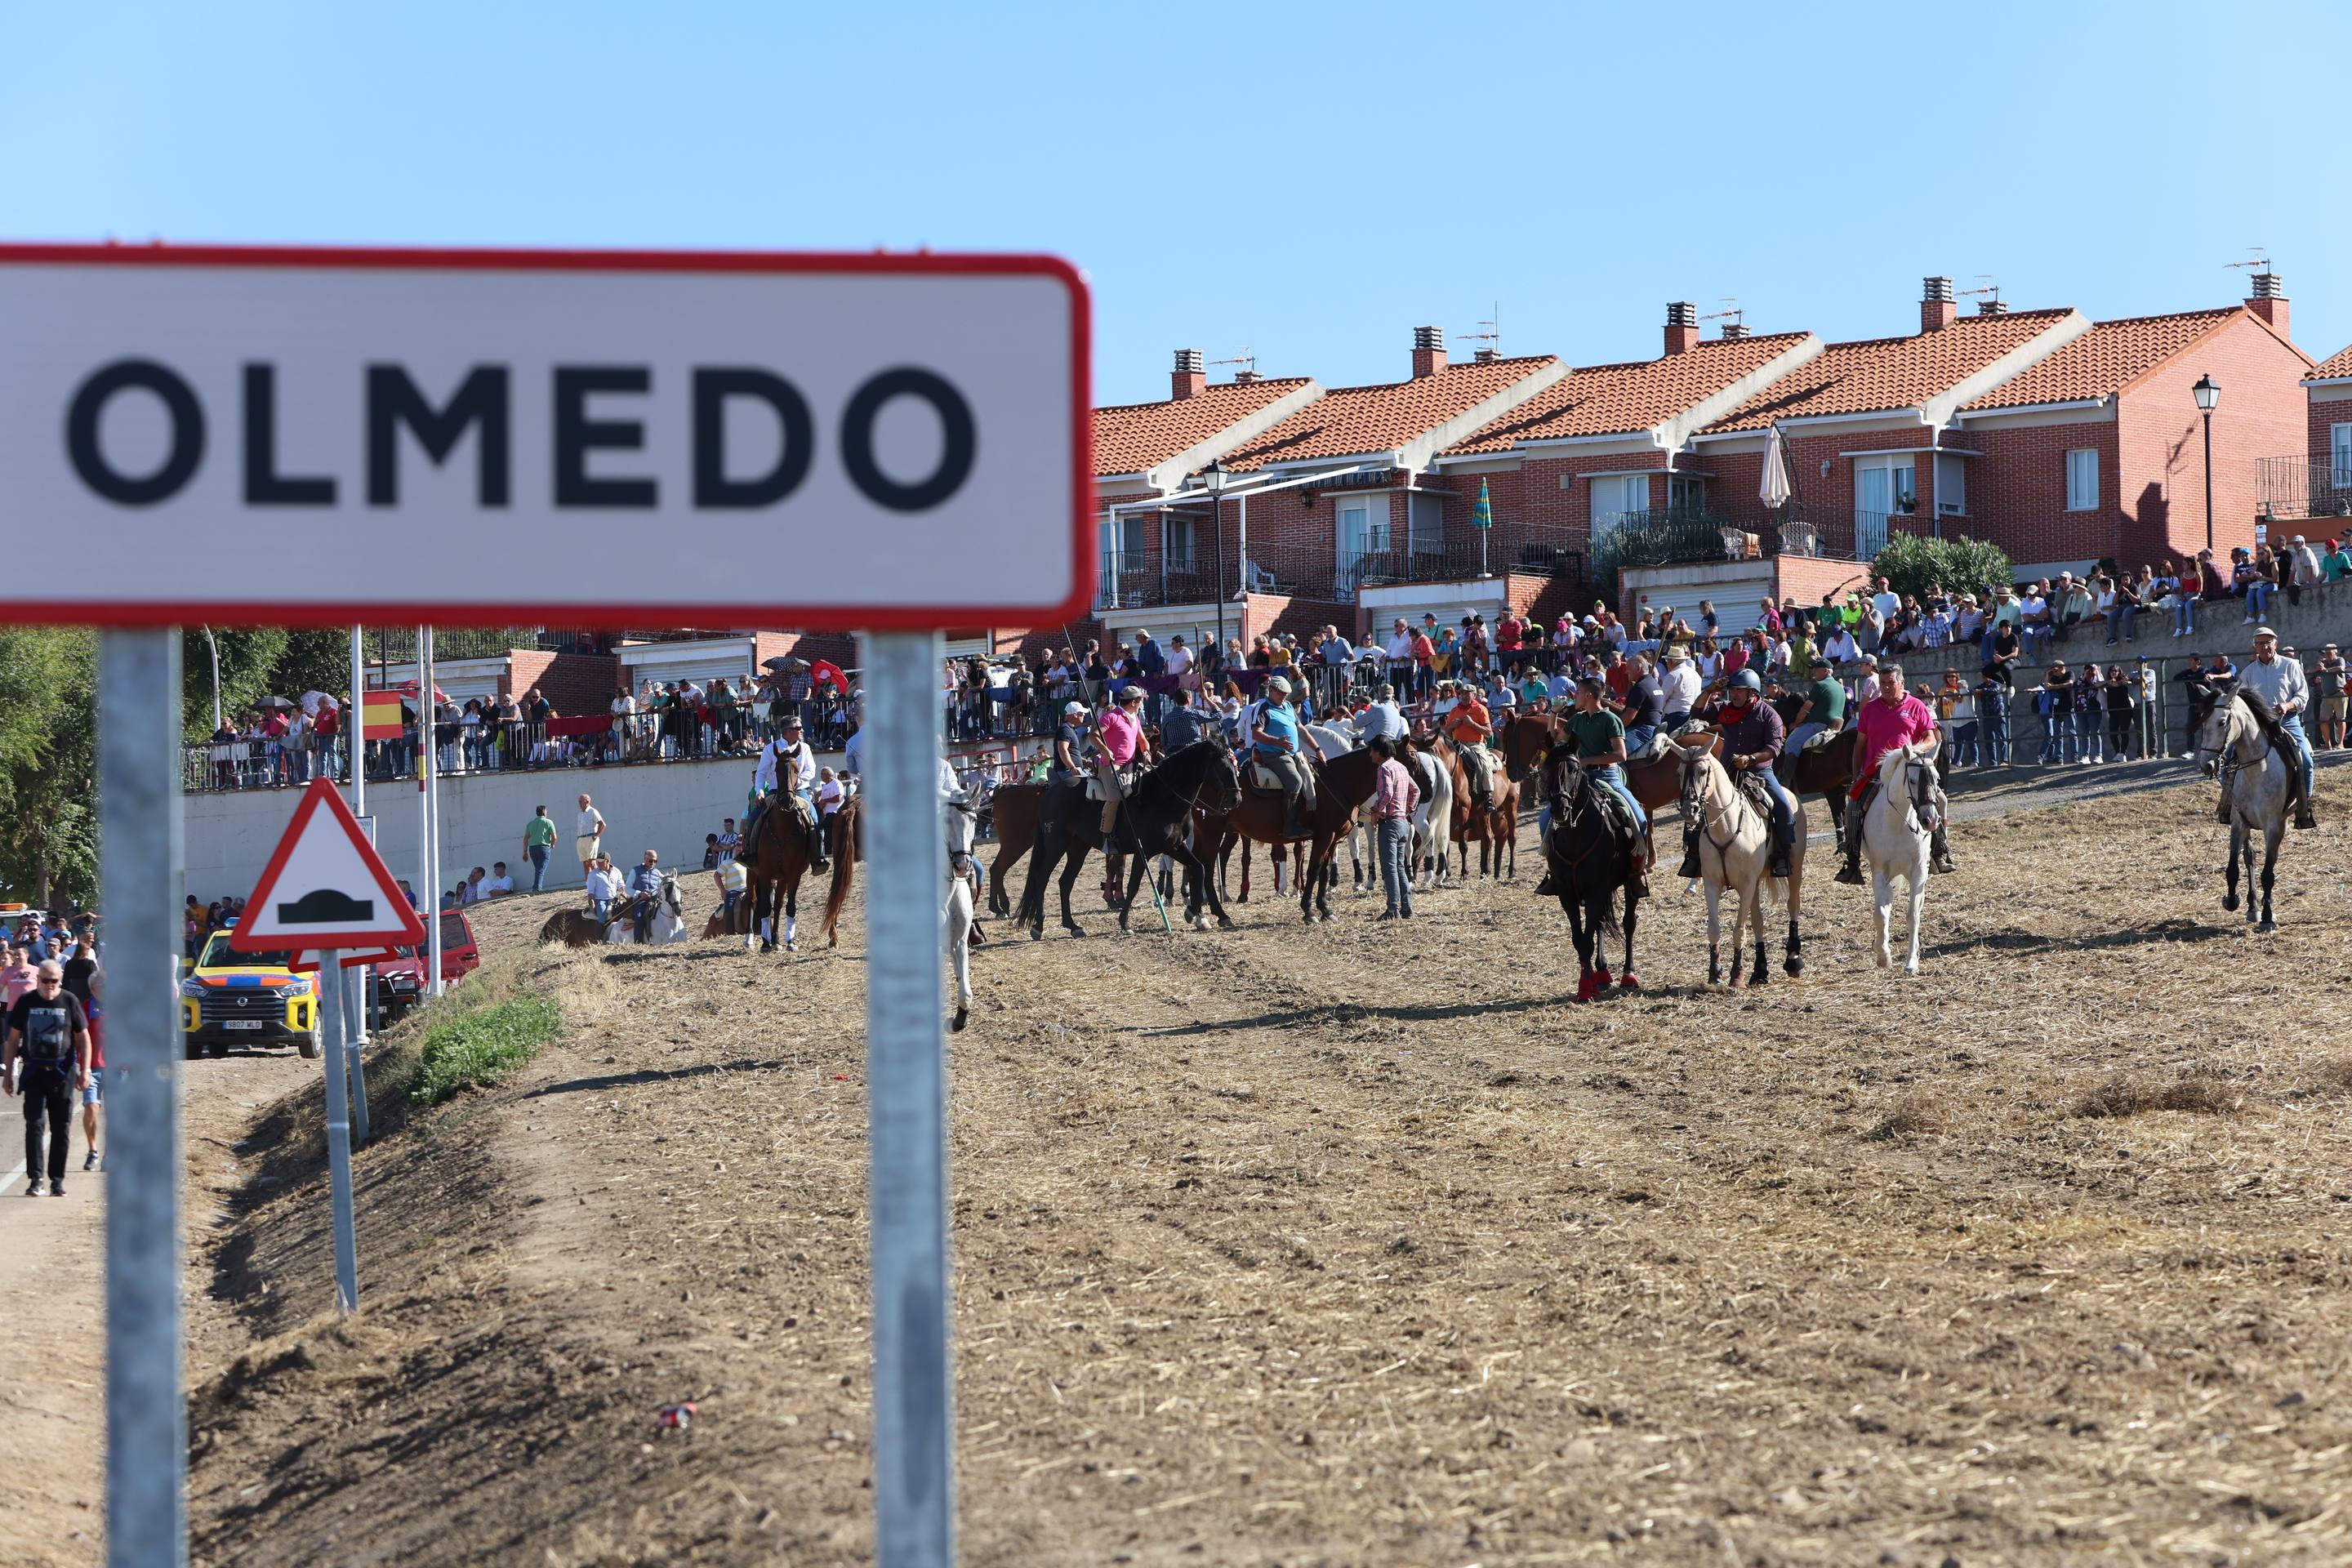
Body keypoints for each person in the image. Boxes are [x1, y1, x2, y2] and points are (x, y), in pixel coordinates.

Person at [1838, 662, 1953, 884]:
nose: (1886, 688)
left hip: (1908, 767)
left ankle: (1939, 853)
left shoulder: (1917, 706)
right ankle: (1852, 862)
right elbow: (1860, 745)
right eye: (1882, 683)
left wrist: (1915, 751)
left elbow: (1931, 738)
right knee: (1853, 805)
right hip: (1875, 771)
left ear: (1902, 683)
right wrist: (1856, 776)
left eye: (1891, 683)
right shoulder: (1870, 708)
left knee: (1938, 799)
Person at [1685, 669, 1794, 880]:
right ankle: (1694, 856)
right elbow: (1697, 712)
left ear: (1752, 692)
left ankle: (1782, 855)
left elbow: (1774, 748)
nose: (1734, 694)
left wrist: (1751, 759)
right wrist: (1709, 690)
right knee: (1697, 802)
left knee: (1783, 807)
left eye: (1739, 691)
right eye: (1733, 690)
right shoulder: (1725, 709)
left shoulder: (1769, 715)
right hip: (1726, 771)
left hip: (1760, 772)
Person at [4, 960, 91, 1197]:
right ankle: (36, 1178)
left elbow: (83, 1037)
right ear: (38, 979)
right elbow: (13, 1039)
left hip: (63, 1073)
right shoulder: (26, 1002)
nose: (50, 985)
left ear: (60, 980)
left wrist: (85, 1070)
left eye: (54, 981)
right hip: (34, 1072)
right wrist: (9, 1074)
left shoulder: (69, 1000)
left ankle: (57, 1180)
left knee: (61, 1127)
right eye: (45, 980)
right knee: (34, 1125)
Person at [1565, 678, 1650, 896]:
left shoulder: (1611, 720)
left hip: (1608, 776)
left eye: (1577, 692)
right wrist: (1554, 713)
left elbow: (1620, 754)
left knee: (1639, 820)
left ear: (1589, 696)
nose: (1574, 696)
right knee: (1547, 818)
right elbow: (1555, 738)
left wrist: (1587, 760)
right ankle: (1559, 874)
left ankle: (1635, 874)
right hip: (1581, 779)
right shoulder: (1577, 720)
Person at [2232, 626, 2319, 830]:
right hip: (2259, 726)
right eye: (2260, 643)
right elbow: (2240, 702)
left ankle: (2303, 806)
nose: (2265, 646)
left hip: (2287, 721)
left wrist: (2287, 705)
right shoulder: (2248, 673)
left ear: (2276, 644)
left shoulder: (2291, 665)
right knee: (2228, 758)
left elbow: (2303, 695)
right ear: (2255, 647)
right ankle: (2229, 805)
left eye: (2268, 642)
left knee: (2305, 758)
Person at [749, 715, 827, 871]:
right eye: (798, 728)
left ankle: (817, 856)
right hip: (775, 791)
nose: (801, 730)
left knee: (814, 817)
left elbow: (810, 771)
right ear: (788, 731)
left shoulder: (804, 748)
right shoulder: (770, 748)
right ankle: (750, 854)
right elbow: (762, 773)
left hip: (799, 791)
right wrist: (759, 792)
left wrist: (793, 783)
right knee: (754, 817)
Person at [1367, 735, 1421, 920]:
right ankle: (1407, 908)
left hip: (1389, 823)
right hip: (1403, 823)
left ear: (1379, 752)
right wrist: (1407, 809)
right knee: (1399, 867)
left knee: (1390, 868)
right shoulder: (1401, 767)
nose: (1370, 755)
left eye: (1372, 751)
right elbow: (1416, 791)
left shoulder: (1383, 769)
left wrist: (1376, 809)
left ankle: (1393, 909)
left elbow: (1387, 793)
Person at [1250, 675, 1315, 828]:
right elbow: (1256, 734)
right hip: (1273, 755)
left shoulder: (1288, 707)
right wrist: (1277, 742)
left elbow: (1302, 730)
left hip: (1293, 754)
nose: (1284, 696)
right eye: (1281, 693)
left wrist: (1317, 749)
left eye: (1286, 694)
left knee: (1312, 778)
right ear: (1271, 691)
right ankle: (1290, 825)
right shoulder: (1264, 708)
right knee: (1295, 782)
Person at [1094, 684, 1147, 844]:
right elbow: (1093, 735)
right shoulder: (1111, 717)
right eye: (1140, 701)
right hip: (1111, 765)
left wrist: (1146, 751)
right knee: (1116, 796)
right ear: (1133, 702)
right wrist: (1104, 749)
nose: (1141, 704)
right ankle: (1106, 833)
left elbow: (1142, 740)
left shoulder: (1135, 718)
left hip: (1130, 764)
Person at [1444, 678, 1498, 806]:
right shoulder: (1454, 711)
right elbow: (1446, 732)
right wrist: (1452, 726)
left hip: (1475, 745)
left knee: (1484, 763)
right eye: (1462, 693)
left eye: (1468, 693)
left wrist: (1472, 724)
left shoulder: (1480, 709)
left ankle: (1488, 795)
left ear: (1474, 695)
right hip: (1456, 744)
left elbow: (1489, 732)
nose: (1464, 695)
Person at [1784, 653, 1846, 761]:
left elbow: (1805, 710)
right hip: (1836, 727)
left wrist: (1795, 724)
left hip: (1817, 725)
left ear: (1826, 671)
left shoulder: (1820, 685)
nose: (1813, 672)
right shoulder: (1840, 687)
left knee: (1790, 743)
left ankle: (1787, 777)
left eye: (1816, 669)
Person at [625, 851, 666, 942]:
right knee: (639, 917)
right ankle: (638, 942)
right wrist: (640, 894)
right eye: (651, 861)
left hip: (656, 900)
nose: (653, 863)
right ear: (645, 859)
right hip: (641, 901)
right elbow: (627, 888)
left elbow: (662, 886)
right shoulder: (635, 870)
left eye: (655, 861)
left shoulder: (658, 873)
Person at [2315, 644, 2348, 751]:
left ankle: (2341, 744)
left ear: (2335, 652)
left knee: (2340, 718)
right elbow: (2309, 671)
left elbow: (2341, 668)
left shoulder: (2340, 660)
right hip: (2326, 695)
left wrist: (2326, 670)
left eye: (2329, 653)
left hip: (2339, 693)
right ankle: (2327, 744)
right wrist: (2316, 669)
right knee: (2323, 720)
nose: (2327, 655)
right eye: (2326, 653)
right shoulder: (2323, 662)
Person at [1158, 686, 1208, 753]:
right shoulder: (1195, 714)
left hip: (1173, 754)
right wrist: (1206, 697)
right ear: (1188, 699)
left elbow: (1163, 741)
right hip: (1194, 753)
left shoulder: (1167, 718)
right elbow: (1218, 715)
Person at [522, 805, 559, 893]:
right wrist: (552, 844)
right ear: (545, 812)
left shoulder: (530, 824)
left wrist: (525, 851)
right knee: (540, 869)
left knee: (538, 869)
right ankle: (537, 888)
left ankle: (537, 887)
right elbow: (554, 836)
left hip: (532, 848)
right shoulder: (548, 822)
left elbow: (526, 838)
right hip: (544, 847)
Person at [1052, 702, 1089, 780]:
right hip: (1067, 772)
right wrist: (1072, 768)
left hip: (1069, 771)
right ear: (1075, 714)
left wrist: (1086, 762)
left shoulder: (1069, 729)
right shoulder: (1065, 729)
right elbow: (1062, 749)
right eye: (1081, 713)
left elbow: (1070, 752)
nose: (1084, 715)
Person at [574, 793, 606, 876]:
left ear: (587, 801)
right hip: (581, 839)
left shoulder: (593, 811)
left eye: (581, 801)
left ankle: (599, 881)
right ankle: (589, 884)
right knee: (585, 863)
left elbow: (602, 824)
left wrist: (596, 835)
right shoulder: (580, 813)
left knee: (592, 862)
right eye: (579, 801)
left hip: (590, 838)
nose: (579, 803)